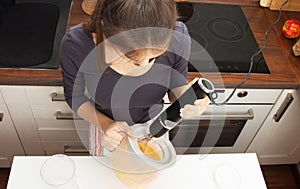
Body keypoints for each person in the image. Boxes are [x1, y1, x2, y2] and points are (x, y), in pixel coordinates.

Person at [60, 0, 209, 155]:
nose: (144, 65)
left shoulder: (178, 38)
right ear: (105, 30)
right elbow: (75, 97)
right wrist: (106, 125)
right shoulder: (76, 46)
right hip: (104, 122)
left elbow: (175, 85)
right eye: (132, 58)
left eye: (154, 57)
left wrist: (188, 98)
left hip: (154, 122)